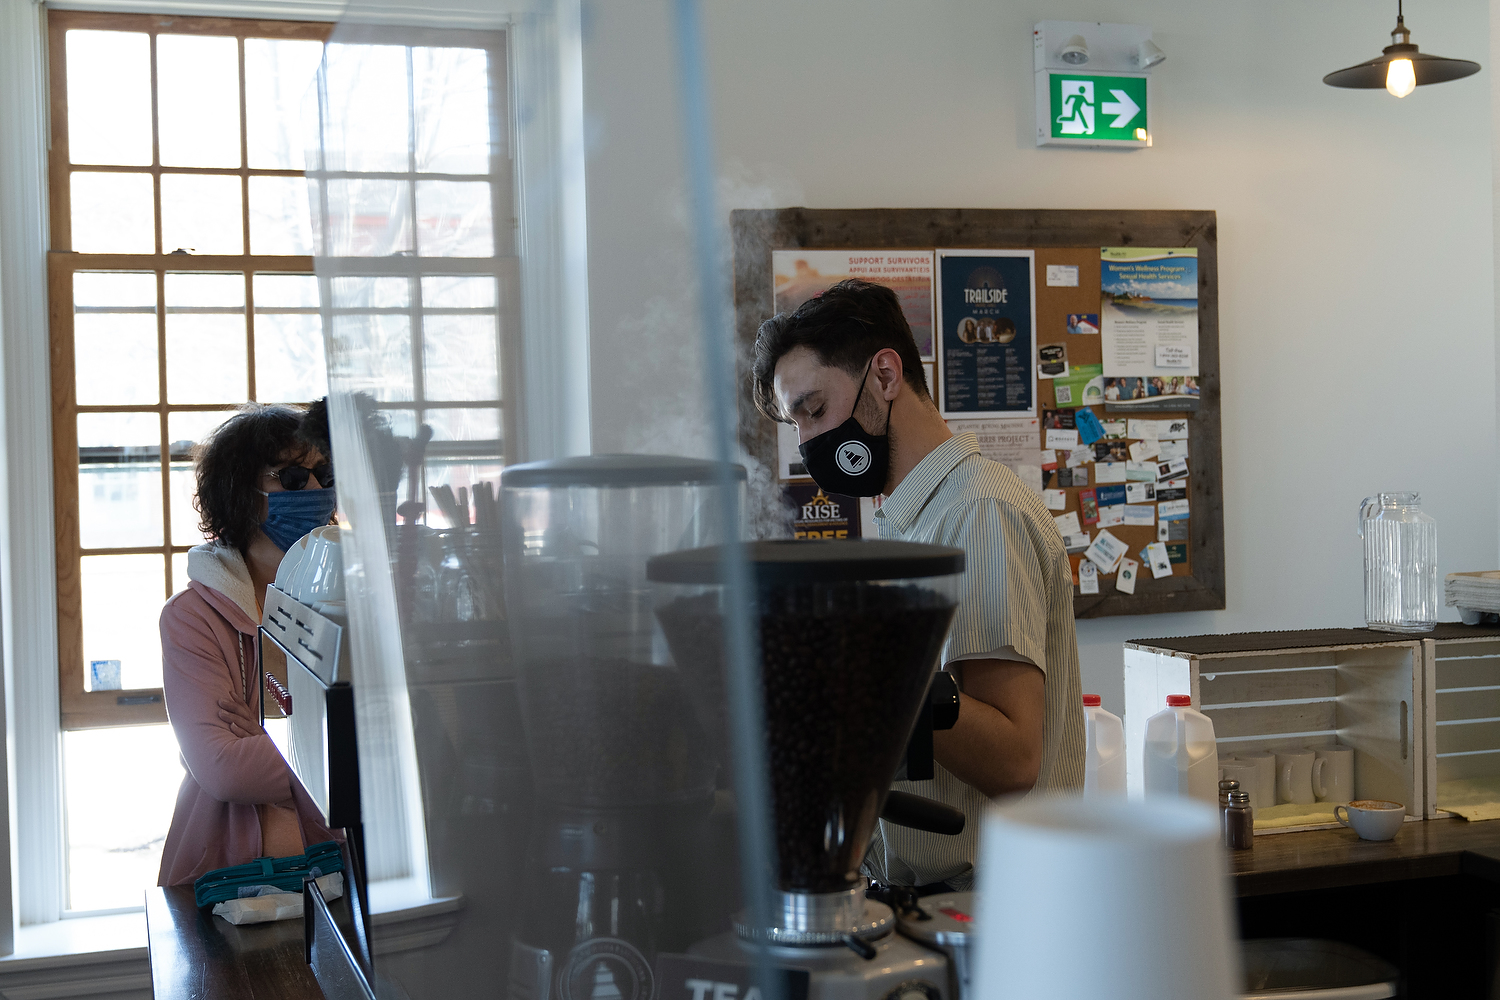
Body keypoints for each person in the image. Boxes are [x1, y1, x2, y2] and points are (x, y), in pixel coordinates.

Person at [752, 280, 1085, 892]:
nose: (805, 443)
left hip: (990, 902)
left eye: (815, 410)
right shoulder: (910, 520)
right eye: (795, 423)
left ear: (884, 376)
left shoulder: (979, 512)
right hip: (918, 893)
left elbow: (1015, 759)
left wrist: (873, 665)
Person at [157, 402, 339, 886]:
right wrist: (337, 750)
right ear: (241, 494)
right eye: (292, 478)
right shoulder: (191, 617)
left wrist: (264, 742)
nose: (316, 491)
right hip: (226, 879)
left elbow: (395, 748)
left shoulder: (348, 602)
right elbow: (225, 771)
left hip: (338, 869)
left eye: (325, 475)